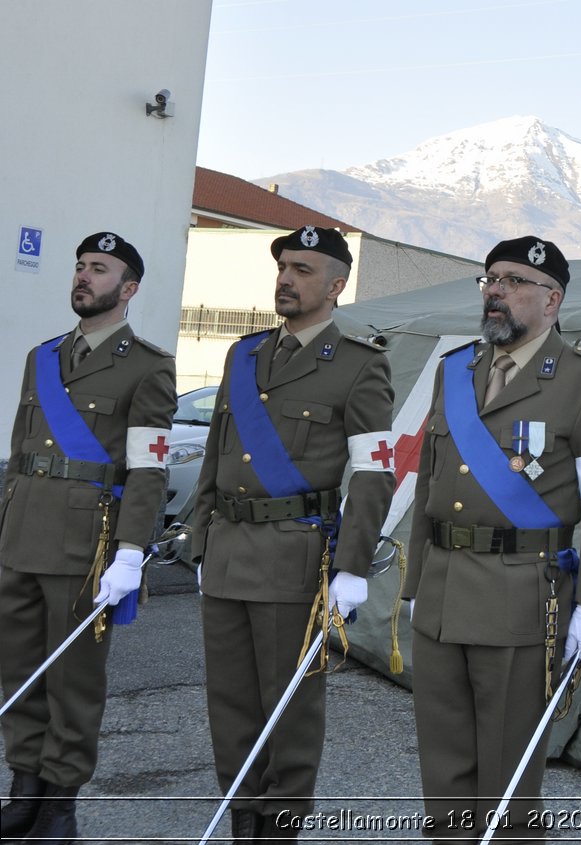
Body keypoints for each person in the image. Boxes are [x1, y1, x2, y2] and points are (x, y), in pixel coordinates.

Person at [402, 235, 581, 843]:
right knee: (444, 769)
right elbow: (429, 482)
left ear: (551, 299)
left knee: (506, 777)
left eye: (513, 281)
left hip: (520, 597)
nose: (496, 291)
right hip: (445, 591)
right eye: (490, 280)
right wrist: (414, 584)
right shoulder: (456, 372)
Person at [190, 225, 394, 842]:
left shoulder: (360, 367)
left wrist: (352, 567)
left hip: (295, 557)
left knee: (289, 709)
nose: (286, 277)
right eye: (283, 266)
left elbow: (374, 475)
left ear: (336, 285)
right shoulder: (243, 355)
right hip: (227, 551)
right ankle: (242, 820)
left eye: (303, 269)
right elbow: (215, 454)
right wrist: (200, 540)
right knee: (229, 708)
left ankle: (279, 827)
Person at [0, 233, 177, 842]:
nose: (83, 276)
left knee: (73, 680)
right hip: (20, 535)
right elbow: (22, 453)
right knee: (18, 670)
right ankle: (23, 789)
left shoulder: (148, 366)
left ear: (127, 289)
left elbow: (148, 466)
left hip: (85, 545)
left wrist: (132, 551)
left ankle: (59, 806)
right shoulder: (41, 356)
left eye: (98, 269)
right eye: (80, 267)